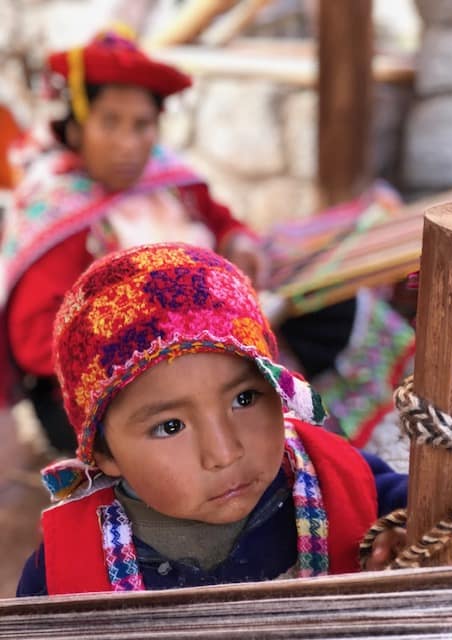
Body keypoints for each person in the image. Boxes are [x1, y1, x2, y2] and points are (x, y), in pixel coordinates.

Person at [16, 243, 407, 596]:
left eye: (244, 398)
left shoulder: (343, 481)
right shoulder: (65, 574)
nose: (224, 453)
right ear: (103, 453)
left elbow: (435, 516)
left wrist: (405, 539)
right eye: (170, 426)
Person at [0, 27, 265, 452]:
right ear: (76, 127)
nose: (128, 144)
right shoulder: (55, 209)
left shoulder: (168, 177)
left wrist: (239, 243)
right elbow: (33, 344)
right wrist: (154, 331)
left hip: (203, 361)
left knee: (335, 316)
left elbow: (223, 221)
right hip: (103, 397)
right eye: (109, 122)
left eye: (142, 125)